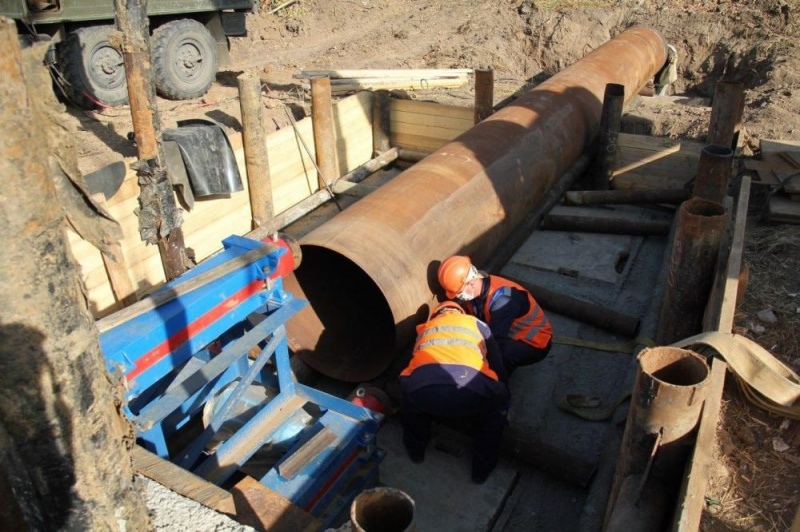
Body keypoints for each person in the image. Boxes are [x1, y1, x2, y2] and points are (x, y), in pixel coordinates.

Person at [399, 301, 510, 484]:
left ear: (436, 315)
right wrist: (502, 394)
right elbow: (497, 362)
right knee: (496, 411)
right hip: (472, 387)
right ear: (460, 312)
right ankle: (480, 472)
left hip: (423, 388)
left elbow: (417, 359)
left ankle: (415, 451)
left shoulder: (424, 328)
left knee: (411, 400)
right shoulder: (476, 323)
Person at [437, 255, 552, 375]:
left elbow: (495, 343)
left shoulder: (504, 300)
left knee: (500, 355)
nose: (459, 297)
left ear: (471, 283)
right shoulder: (478, 291)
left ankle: (498, 384)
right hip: (511, 333)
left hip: (536, 342)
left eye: (459, 293)